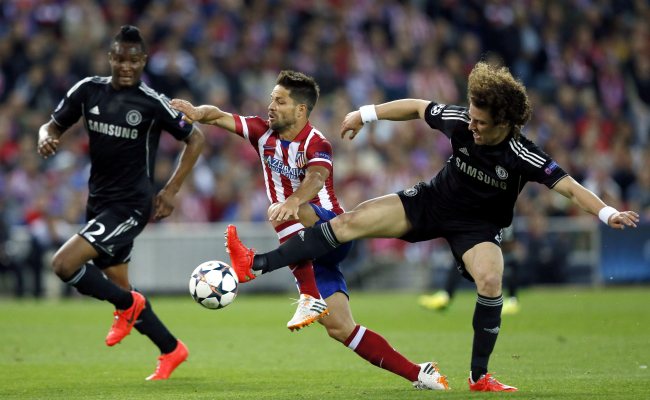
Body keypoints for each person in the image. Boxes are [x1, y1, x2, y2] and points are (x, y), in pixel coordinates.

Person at [224, 61, 640, 392]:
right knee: (348, 222)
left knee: (491, 281)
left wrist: (607, 213)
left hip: (476, 228)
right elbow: (418, 107)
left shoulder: (521, 154)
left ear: (505, 122)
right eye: (471, 117)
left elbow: (568, 187)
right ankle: (257, 264)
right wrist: (364, 114)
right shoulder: (461, 119)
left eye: (480, 122)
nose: (471, 126)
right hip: (428, 204)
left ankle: (479, 378)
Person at [170, 70, 449, 391]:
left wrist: (293, 201)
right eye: (272, 99)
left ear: (300, 110)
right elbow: (218, 116)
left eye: (280, 101)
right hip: (307, 252)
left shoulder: (318, 143)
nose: (270, 106)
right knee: (341, 328)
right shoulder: (261, 133)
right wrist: (197, 113)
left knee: (281, 210)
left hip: (332, 231)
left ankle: (285, 282)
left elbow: (316, 178)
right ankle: (421, 374)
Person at [37, 25, 205, 380]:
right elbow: (51, 126)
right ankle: (171, 349)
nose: (126, 66)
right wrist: (45, 138)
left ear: (143, 61)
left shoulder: (151, 102)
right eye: (119, 59)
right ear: (110, 58)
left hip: (131, 205)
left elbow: (196, 138)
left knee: (63, 265)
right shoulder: (87, 91)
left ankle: (128, 306)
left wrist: (171, 190)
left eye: (134, 60)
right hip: (98, 201)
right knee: (117, 284)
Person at [418, 225, 522, 315]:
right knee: (462, 256)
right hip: (482, 217)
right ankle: (446, 295)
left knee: (507, 250)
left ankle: (512, 300)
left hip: (498, 213)